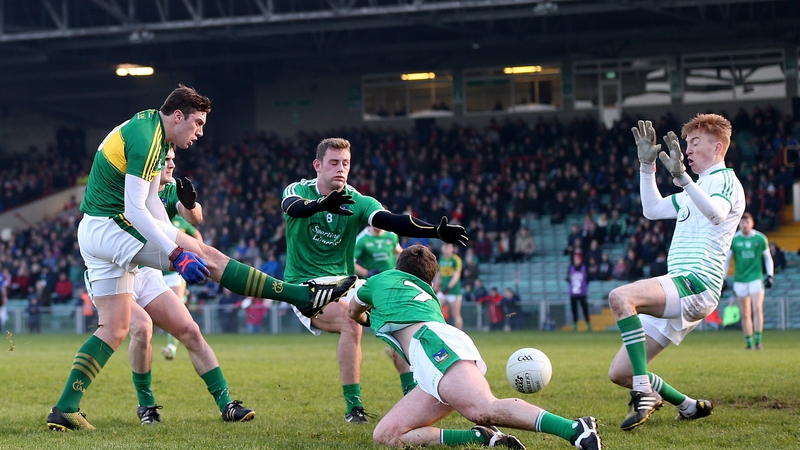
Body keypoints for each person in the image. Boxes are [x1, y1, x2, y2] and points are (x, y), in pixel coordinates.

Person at [47, 85, 356, 431]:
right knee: (208, 257)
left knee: (116, 328)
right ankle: (304, 296)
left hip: (98, 230)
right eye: (197, 123)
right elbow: (135, 210)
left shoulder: (152, 133)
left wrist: (175, 244)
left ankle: (65, 408)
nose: (200, 132)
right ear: (177, 116)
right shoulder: (147, 136)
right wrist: (177, 253)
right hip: (112, 226)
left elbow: (150, 205)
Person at [281, 137, 467, 424]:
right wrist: (321, 204)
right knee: (351, 321)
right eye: (333, 163)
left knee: (400, 315)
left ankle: (413, 395)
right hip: (305, 287)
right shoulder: (298, 190)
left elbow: (389, 219)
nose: (340, 169)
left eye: (345, 163)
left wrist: (434, 231)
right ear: (317, 165)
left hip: (345, 283)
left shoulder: (358, 199)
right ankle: (354, 408)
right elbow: (293, 207)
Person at [347, 245, 602, 450]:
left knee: (484, 408)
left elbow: (353, 311)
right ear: (431, 281)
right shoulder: (429, 294)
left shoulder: (380, 279)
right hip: (432, 352)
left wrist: (367, 318)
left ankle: (575, 429)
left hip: (432, 344)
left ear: (397, 268)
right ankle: (483, 438)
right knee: (387, 435)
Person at [607, 115, 744, 431]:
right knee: (621, 372)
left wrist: (683, 178)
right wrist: (646, 167)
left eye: (695, 143)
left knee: (621, 297)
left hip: (696, 284)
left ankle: (644, 391)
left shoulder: (724, 181)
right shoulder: (694, 189)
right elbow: (652, 209)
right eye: (687, 144)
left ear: (718, 147)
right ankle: (688, 406)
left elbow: (716, 214)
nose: (687, 150)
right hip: (680, 286)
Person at [723, 212, 774, 350]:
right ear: (739, 224)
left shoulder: (760, 238)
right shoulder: (734, 239)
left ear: (752, 223)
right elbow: (727, 260)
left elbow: (768, 258)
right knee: (745, 313)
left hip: (756, 279)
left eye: (747, 223)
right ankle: (749, 343)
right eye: (742, 223)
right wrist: (723, 278)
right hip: (740, 280)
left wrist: (770, 275)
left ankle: (758, 341)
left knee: (757, 309)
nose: (744, 225)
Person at [435, 243, 464, 330]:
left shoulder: (456, 260)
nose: (446, 249)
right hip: (443, 291)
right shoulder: (442, 259)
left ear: (452, 248)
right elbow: (439, 274)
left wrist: (449, 287)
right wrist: (435, 286)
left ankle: (460, 335)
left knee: (456, 314)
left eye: (448, 247)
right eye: (445, 247)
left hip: (454, 292)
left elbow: (457, 275)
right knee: (435, 308)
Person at [567, 253, 591, 331]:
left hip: (582, 293)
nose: (576, 261)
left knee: (585, 309)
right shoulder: (571, 268)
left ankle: (588, 324)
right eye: (575, 259)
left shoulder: (584, 268)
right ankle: (575, 325)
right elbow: (568, 278)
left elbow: (588, 278)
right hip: (573, 293)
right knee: (574, 310)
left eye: (577, 259)